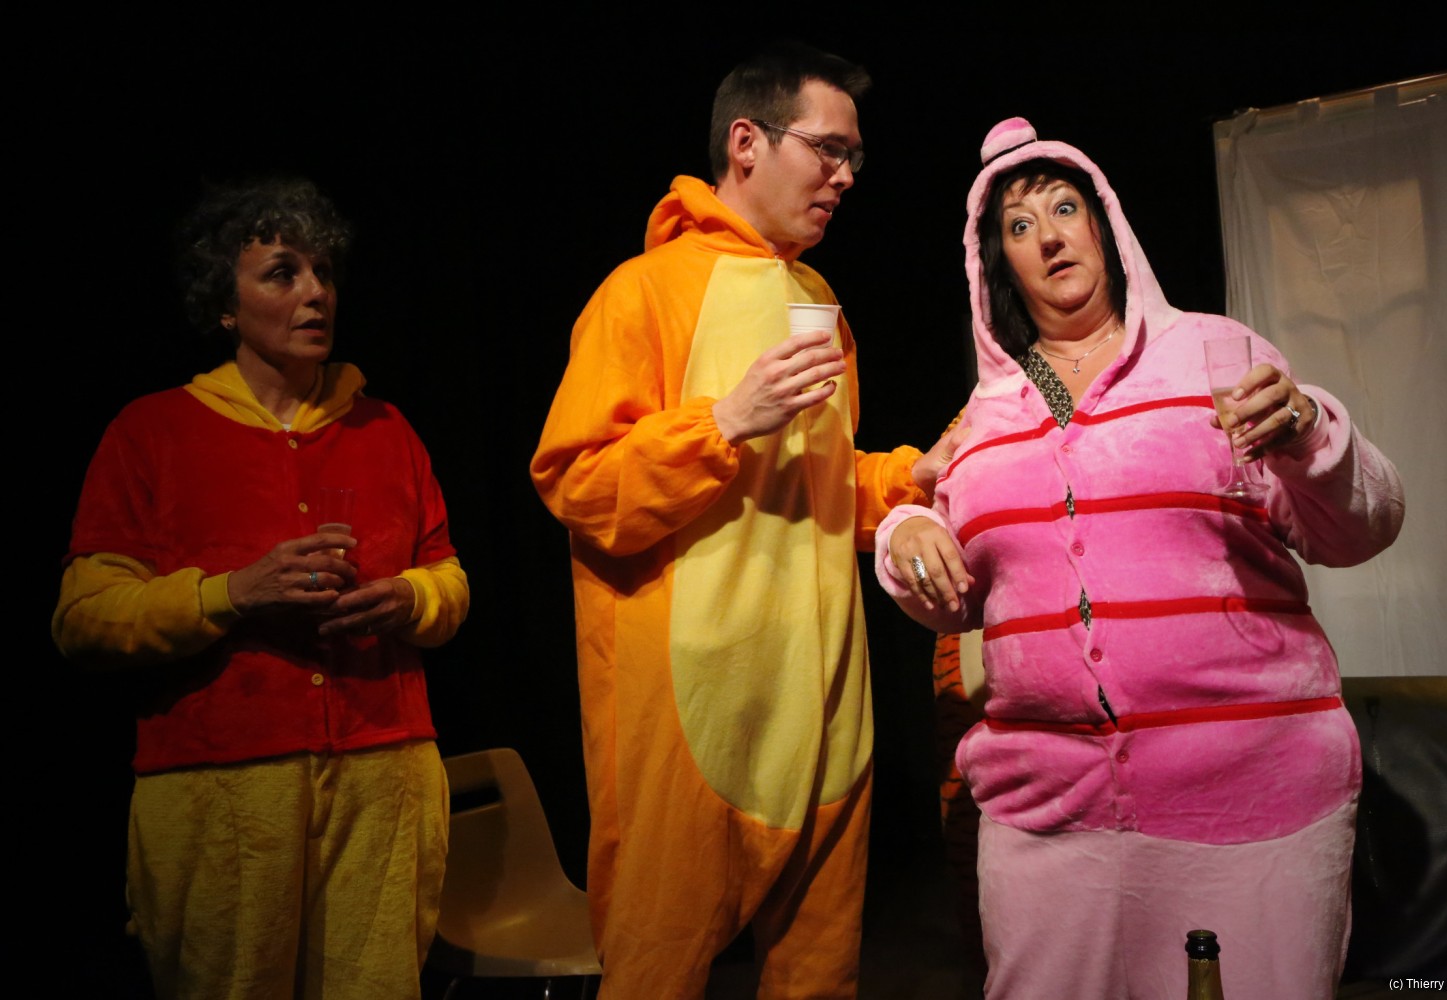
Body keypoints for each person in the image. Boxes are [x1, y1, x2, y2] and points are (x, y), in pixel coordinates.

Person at [877, 119, 1404, 1000]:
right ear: (998, 265)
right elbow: (949, 593)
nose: (1048, 236)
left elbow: (1361, 530)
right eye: (1018, 226)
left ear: (1105, 224)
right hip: (1049, 820)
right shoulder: (988, 414)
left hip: (1249, 802)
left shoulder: (1215, 357)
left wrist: (1310, 431)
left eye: (1064, 208)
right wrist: (903, 535)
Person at [531, 43, 957, 999]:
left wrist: (909, 477)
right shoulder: (641, 291)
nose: (846, 176)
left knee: (819, 974)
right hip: (694, 705)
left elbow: (817, 485)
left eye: (855, 156)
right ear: (746, 142)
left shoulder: (818, 301)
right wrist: (724, 421)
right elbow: (579, 485)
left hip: (825, 689)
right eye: (828, 149)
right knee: (657, 973)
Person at [53, 178, 469, 1000]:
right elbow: (83, 618)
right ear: (224, 306)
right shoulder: (152, 433)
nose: (316, 293)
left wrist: (409, 599)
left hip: (384, 774)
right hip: (223, 789)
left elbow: (448, 577)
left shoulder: (386, 428)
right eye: (283, 273)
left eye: (324, 272)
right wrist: (232, 594)